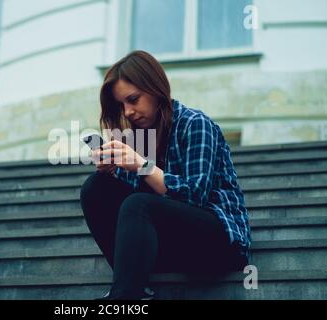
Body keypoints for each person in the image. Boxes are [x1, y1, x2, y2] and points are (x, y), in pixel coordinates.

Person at [79, 50, 251, 300]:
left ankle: (125, 296)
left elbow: (195, 196)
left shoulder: (195, 123)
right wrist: (113, 170)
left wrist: (142, 165)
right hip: (173, 246)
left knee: (139, 204)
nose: (127, 112)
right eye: (121, 105)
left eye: (133, 99)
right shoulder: (139, 138)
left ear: (155, 88)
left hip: (221, 242)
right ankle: (134, 283)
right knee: (96, 186)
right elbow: (135, 205)